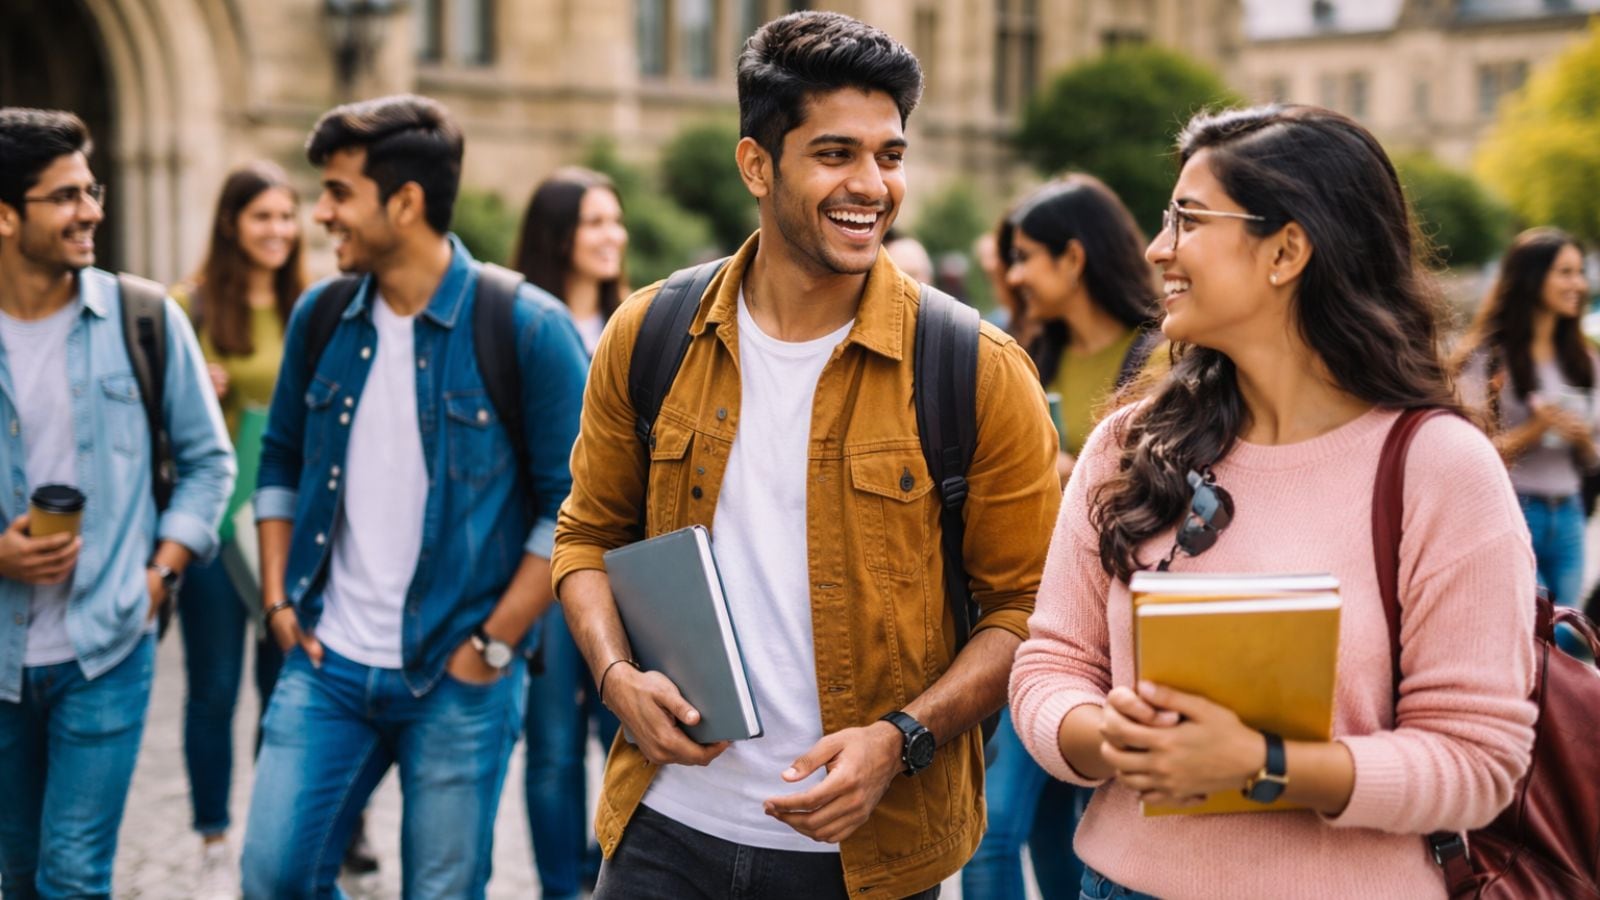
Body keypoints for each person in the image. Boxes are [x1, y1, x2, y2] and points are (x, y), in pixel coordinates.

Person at [552, 12, 1060, 900]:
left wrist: (901, 739)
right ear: (757, 164)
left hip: (866, 858)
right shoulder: (651, 333)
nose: (872, 185)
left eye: (890, 155)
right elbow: (585, 537)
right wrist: (616, 675)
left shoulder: (973, 369)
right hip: (663, 833)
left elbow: (1026, 612)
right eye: (835, 154)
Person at [1010, 104, 1538, 899]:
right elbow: (1050, 665)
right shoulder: (1128, 447)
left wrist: (1263, 767)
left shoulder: (1440, 468)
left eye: (1187, 220)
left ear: (1287, 249)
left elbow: (1479, 762)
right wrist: (1106, 738)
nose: (1158, 249)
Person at [240, 94, 589, 898]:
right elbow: (281, 461)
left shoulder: (525, 326)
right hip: (327, 663)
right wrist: (277, 602)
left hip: (459, 675)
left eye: (337, 192)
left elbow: (573, 509)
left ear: (404, 202)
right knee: (273, 877)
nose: (319, 213)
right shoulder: (321, 316)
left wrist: (494, 646)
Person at [0, 107, 234, 898]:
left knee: (72, 875)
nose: (92, 211)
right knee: (20, 874)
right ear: (4, 215)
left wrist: (159, 577)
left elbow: (208, 463)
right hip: (0, 659)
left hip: (106, 643)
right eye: (64, 197)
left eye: (92, 190)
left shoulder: (144, 318)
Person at [962, 174, 1160, 900]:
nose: (1012, 276)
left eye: (1026, 257)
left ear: (1073, 260)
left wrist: (1081, 472)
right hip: (1029, 607)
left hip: (1111, 623)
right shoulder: (1029, 350)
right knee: (1051, 833)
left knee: (994, 834)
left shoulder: (1163, 356)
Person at [168, 161, 302, 898]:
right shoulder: (184, 309)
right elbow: (154, 419)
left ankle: (264, 829)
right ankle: (213, 839)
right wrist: (191, 386)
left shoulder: (309, 307)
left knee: (282, 689)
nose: (278, 231)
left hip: (285, 530)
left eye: (287, 217)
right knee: (213, 689)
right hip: (217, 535)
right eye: (262, 217)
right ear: (230, 224)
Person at [510, 165, 628, 899]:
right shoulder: (523, 324)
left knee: (629, 729)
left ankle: (612, 870)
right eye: (593, 223)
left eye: (615, 220)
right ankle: (560, 887)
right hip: (550, 554)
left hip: (630, 561)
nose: (611, 235)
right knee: (552, 745)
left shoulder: (637, 322)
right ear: (557, 236)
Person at [1452, 227, 1596, 657]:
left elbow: (1594, 455)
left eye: (1580, 272)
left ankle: (1559, 726)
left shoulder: (1584, 361)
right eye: (1565, 272)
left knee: (1565, 647)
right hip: (1513, 514)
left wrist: (1581, 440)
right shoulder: (1486, 359)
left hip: (1569, 516)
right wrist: (1533, 432)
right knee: (1524, 643)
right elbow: (1467, 453)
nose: (1579, 284)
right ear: (1532, 279)